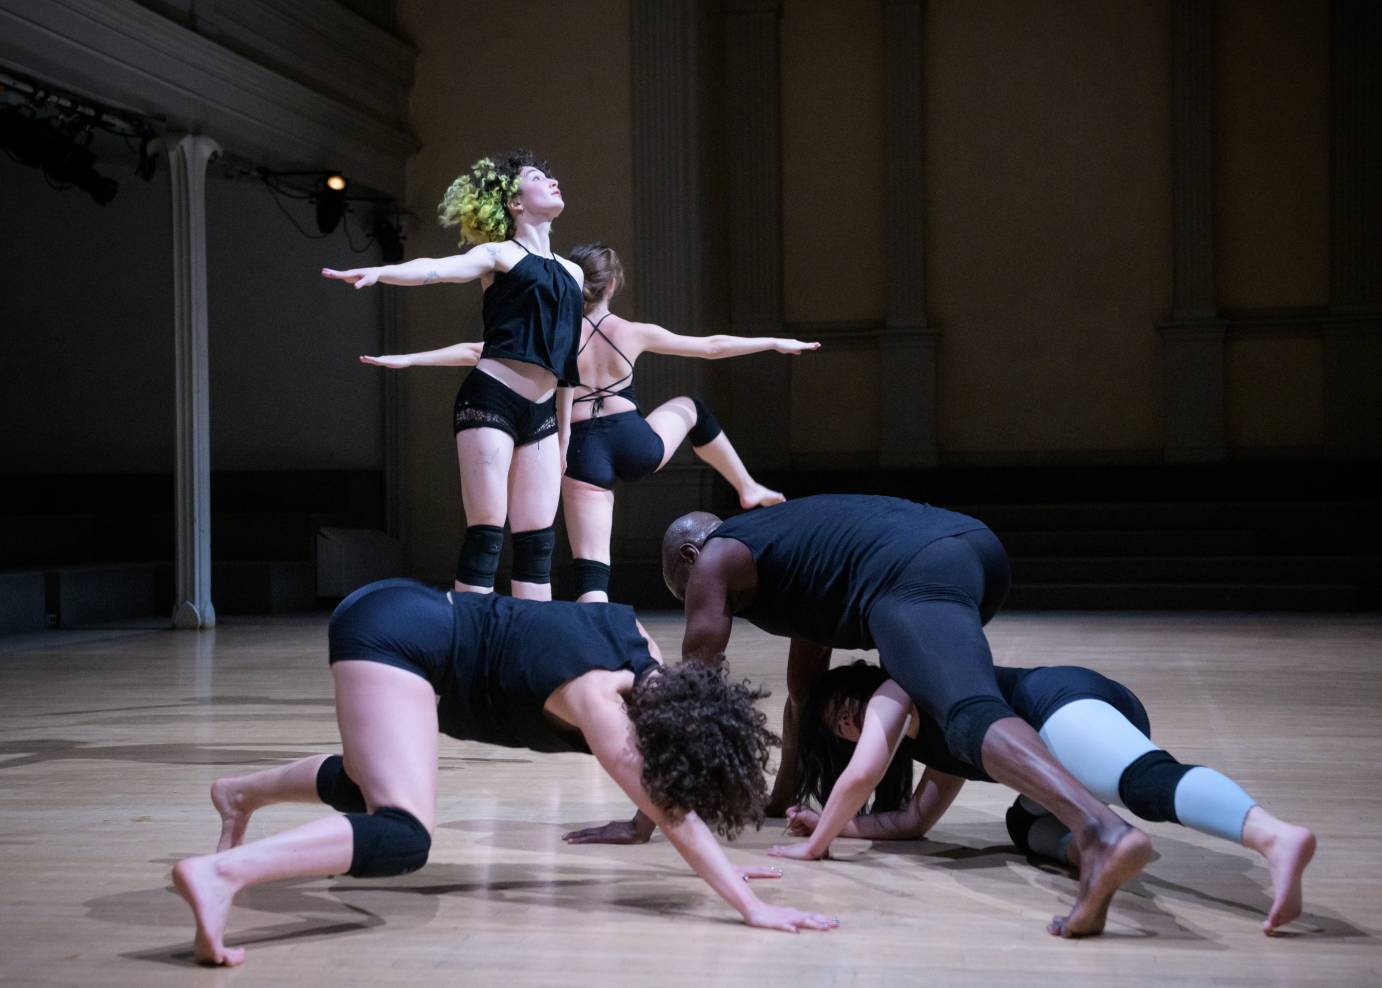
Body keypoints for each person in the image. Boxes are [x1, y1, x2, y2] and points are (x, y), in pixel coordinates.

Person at [171, 579, 837, 966]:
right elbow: (670, 810)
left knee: (367, 782)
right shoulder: (599, 702)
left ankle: (239, 795)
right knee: (402, 833)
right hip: (398, 643)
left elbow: (668, 798)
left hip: (405, 609)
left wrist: (722, 864)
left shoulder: (641, 646)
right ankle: (222, 874)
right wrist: (749, 906)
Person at [658, 495, 1155, 938]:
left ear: (690, 556)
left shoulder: (715, 557)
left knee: (967, 716)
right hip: (971, 548)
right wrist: (780, 799)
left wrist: (654, 812)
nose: (698, 600)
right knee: (949, 703)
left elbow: (691, 699)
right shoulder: (790, 560)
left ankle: (1100, 830)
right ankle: (1092, 824)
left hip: (913, 568)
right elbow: (803, 695)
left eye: (685, 594)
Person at [772, 659, 1317, 935]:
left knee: (1146, 783)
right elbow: (914, 821)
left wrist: (818, 843)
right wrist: (836, 825)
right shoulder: (936, 744)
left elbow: (863, 773)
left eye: (846, 710)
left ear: (866, 692)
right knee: (1024, 824)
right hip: (1073, 724)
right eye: (836, 728)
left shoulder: (898, 689)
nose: (848, 725)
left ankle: (1273, 835)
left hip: (1060, 705)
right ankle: (1100, 854)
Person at [324, 151, 582, 600]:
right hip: (492, 400)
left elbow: (567, 365)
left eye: (550, 175)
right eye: (537, 177)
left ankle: (531, 640)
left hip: (542, 415)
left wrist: (564, 436)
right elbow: (436, 269)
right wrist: (381, 271)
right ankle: (470, 638)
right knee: (487, 532)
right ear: (514, 203)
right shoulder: (499, 254)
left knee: (538, 543)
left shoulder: (573, 273)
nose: (552, 180)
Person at [560, 244, 820, 602]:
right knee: (692, 408)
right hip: (635, 443)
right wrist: (774, 341)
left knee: (592, 570)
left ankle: (597, 627)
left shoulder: (556, 334)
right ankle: (747, 486)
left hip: (581, 449)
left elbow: (491, 351)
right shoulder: (632, 331)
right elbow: (712, 347)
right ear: (612, 285)